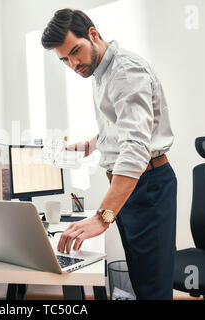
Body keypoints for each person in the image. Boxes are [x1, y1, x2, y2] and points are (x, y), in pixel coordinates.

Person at [41, 9, 177, 300]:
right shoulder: (100, 70)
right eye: (65, 59)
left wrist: (102, 217)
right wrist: (91, 144)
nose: (73, 63)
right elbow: (123, 126)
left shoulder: (125, 72)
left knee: (152, 288)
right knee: (142, 280)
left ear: (93, 34)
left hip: (147, 185)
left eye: (75, 52)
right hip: (134, 186)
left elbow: (136, 147)